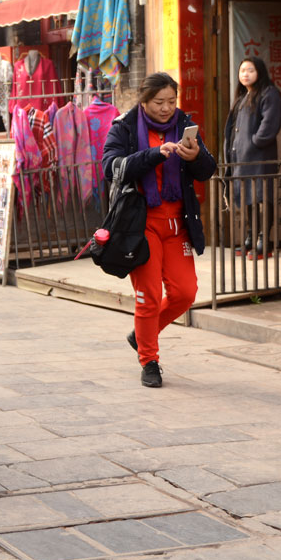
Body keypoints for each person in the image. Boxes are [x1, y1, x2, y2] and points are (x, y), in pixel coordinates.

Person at [102, 72, 217, 388]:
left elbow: (207, 170)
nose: (166, 108)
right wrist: (152, 155)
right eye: (158, 102)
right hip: (141, 225)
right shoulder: (124, 127)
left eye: (171, 101)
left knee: (185, 293)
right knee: (149, 296)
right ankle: (149, 361)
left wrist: (196, 156)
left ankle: (142, 334)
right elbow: (110, 167)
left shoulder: (184, 124)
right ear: (144, 100)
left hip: (178, 224)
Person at [223, 56, 281, 257]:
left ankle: (264, 240)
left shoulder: (269, 93)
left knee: (263, 197)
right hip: (241, 158)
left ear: (259, 72)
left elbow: (270, 123)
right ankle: (250, 237)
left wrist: (254, 142)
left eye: (250, 70)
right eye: (242, 71)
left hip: (260, 157)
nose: (245, 74)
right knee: (248, 197)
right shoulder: (242, 97)